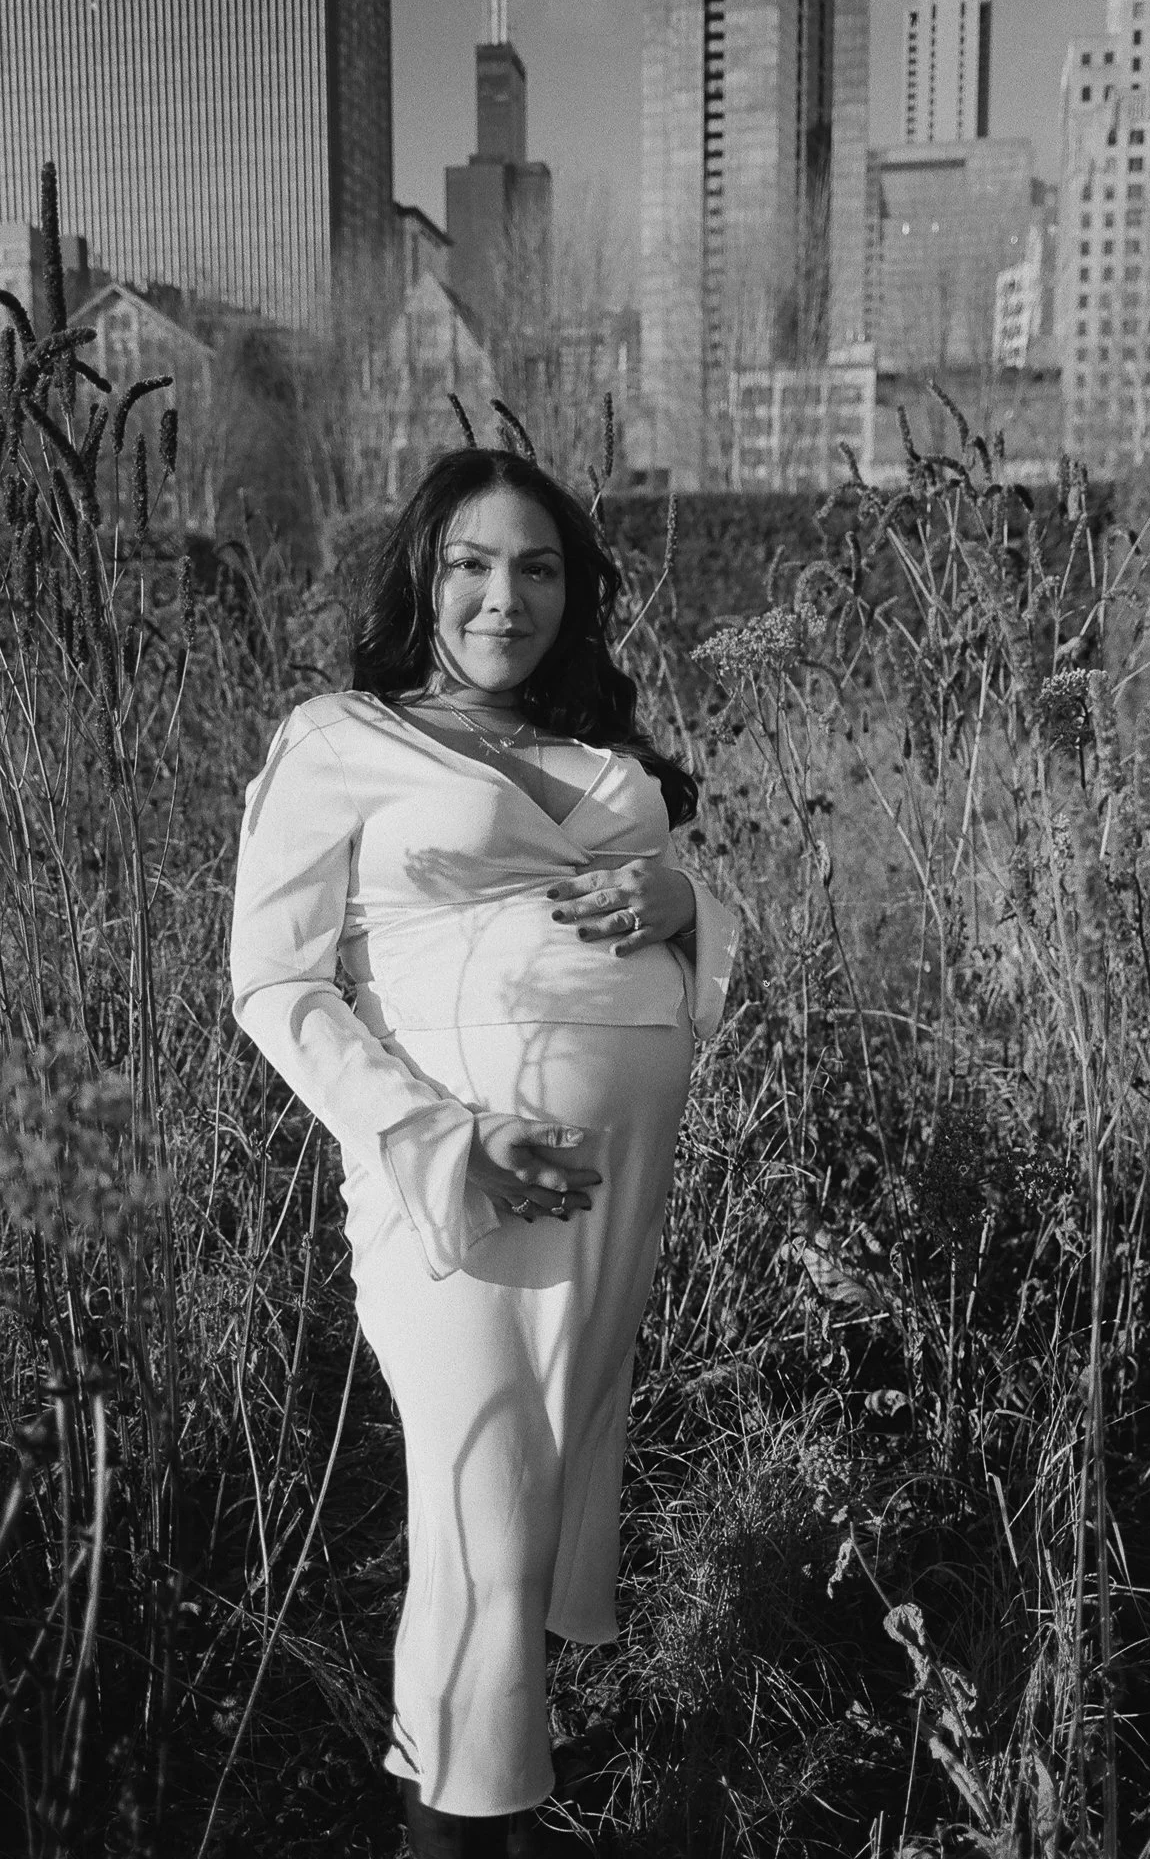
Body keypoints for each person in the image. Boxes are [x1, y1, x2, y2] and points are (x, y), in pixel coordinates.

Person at [229, 447, 739, 1859]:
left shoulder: (605, 768)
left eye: (536, 568)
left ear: (573, 595)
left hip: (605, 1206)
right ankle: (460, 1837)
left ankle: (475, 1812)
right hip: (446, 1188)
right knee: (492, 1525)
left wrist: (685, 895)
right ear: (421, 577)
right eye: (469, 564)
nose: (502, 597)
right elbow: (275, 987)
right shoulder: (338, 738)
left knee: (514, 1525)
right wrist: (443, 1139)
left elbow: (703, 966)